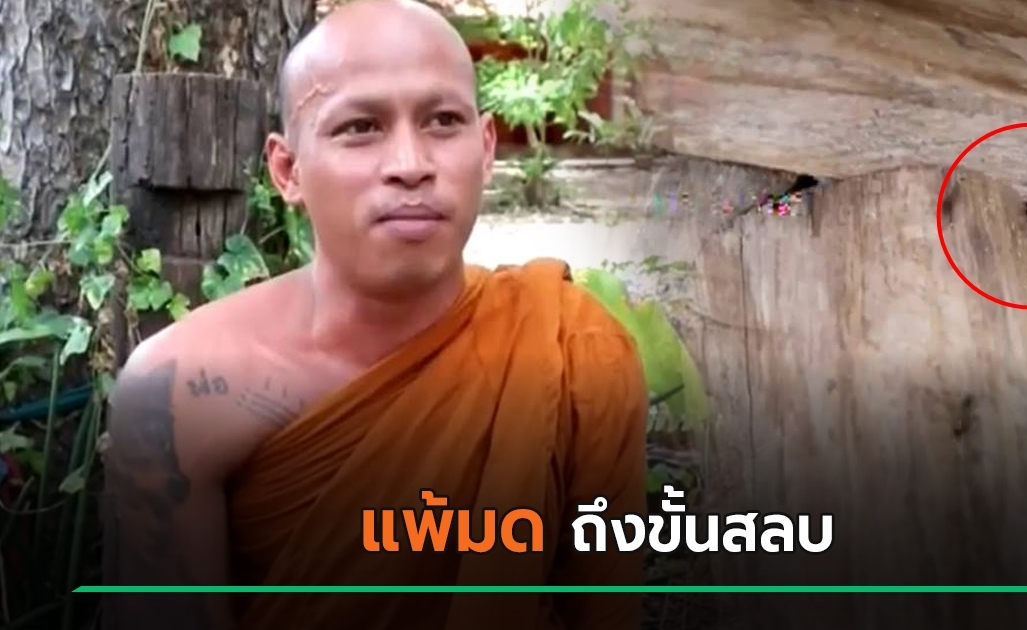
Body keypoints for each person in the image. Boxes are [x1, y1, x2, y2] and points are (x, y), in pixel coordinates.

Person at [99, 1, 649, 629]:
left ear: (486, 148)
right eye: (361, 127)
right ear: (287, 170)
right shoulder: (178, 392)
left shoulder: (571, 353)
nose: (410, 165)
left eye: (443, 121)